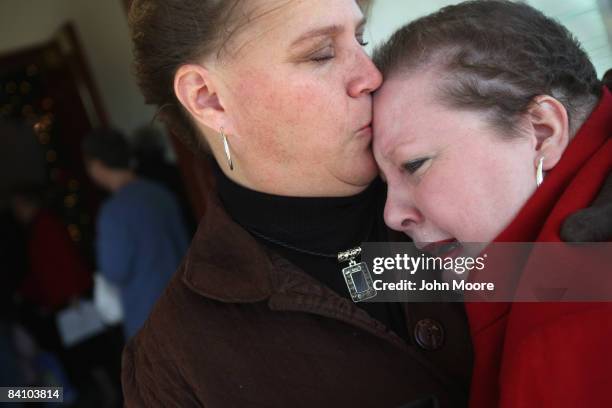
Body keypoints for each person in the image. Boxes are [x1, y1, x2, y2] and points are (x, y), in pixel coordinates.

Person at [124, 0, 610, 406]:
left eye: (360, 39)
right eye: (319, 54)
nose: (370, 74)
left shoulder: (462, 170)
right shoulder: (179, 359)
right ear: (208, 98)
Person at [371, 1, 612, 407]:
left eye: (415, 165)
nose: (392, 215)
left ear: (541, 132)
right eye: (382, 185)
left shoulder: (571, 330)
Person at [82, 128, 189, 340]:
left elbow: (114, 271)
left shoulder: (113, 212)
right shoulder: (160, 193)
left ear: (96, 165)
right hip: (186, 302)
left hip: (148, 314)